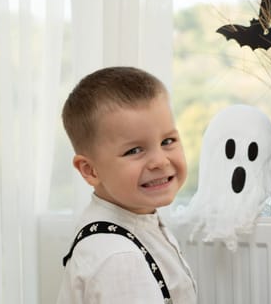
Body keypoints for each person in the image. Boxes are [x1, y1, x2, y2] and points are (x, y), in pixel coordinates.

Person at [56, 66, 197, 304]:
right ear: (90, 170)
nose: (160, 161)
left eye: (168, 141)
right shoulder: (120, 259)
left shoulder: (136, 221)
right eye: (134, 150)